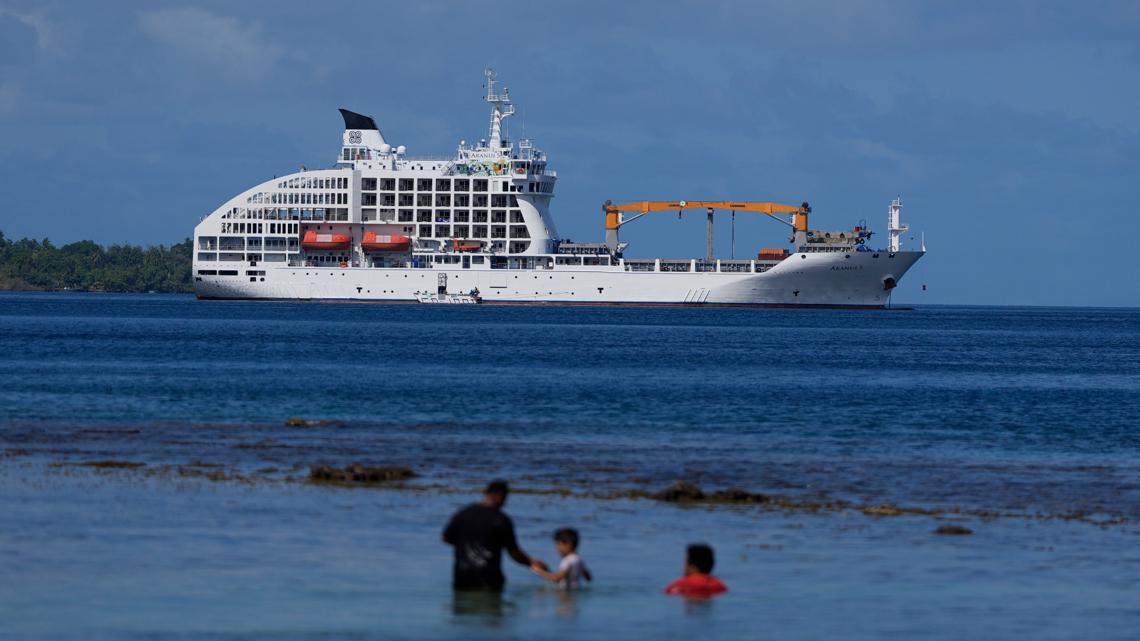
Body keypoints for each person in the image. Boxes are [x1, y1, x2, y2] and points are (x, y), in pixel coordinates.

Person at [442, 480, 548, 591]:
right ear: (500, 496)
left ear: (486, 493)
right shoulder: (501, 520)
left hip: (463, 576)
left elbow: (446, 538)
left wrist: (465, 543)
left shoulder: (464, 514)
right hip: (488, 577)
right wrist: (531, 563)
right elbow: (513, 552)